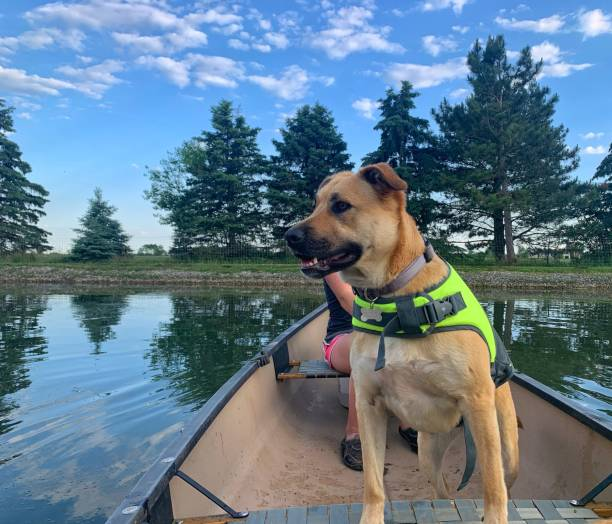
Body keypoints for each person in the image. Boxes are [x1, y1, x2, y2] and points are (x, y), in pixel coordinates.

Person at [322, 273, 362, 470]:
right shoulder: (331, 259)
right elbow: (348, 300)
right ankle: (354, 434)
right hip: (341, 338)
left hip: (383, 334)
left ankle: (408, 424)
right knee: (365, 348)